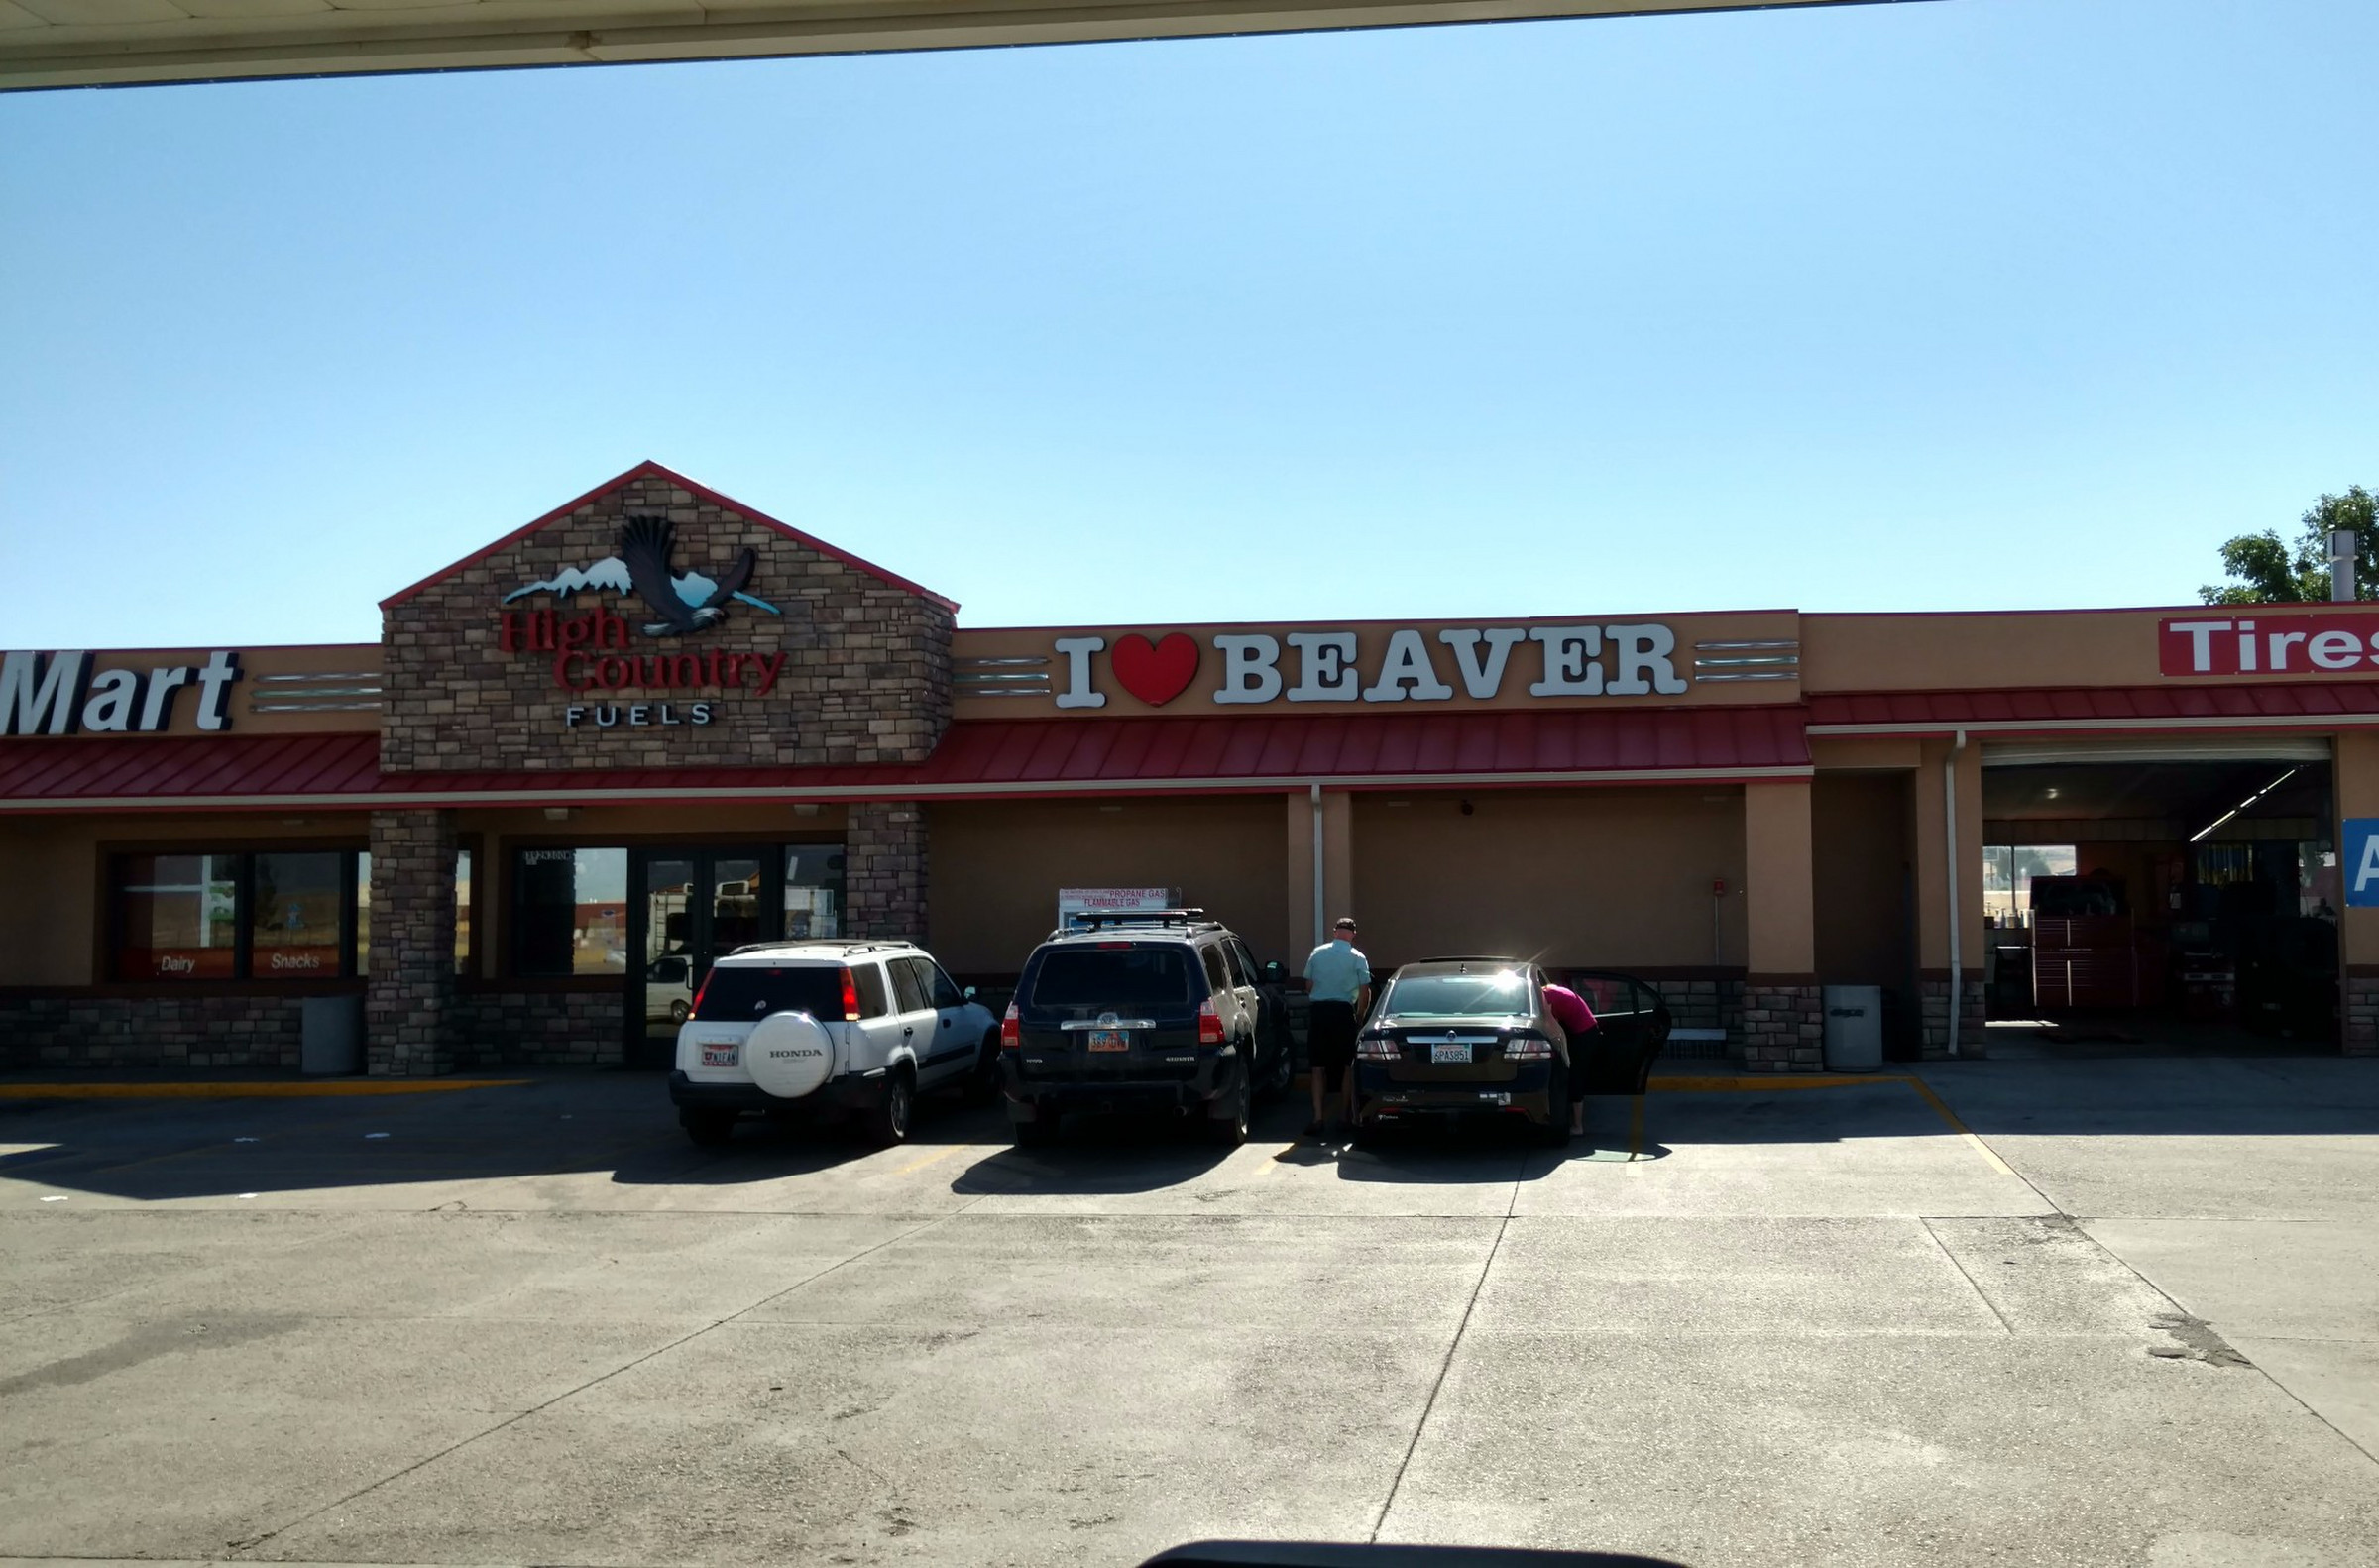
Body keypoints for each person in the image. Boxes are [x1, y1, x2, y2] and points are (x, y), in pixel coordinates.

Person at [1302, 916, 1371, 1138]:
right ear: (1353, 934)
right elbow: (1364, 991)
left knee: (1318, 1067)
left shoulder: (1318, 953)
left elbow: (1308, 985)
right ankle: (1344, 1116)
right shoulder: (1358, 958)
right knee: (1348, 1066)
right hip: (1343, 1012)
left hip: (1320, 1011)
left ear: (1334, 932)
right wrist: (1359, 1016)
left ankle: (1318, 1117)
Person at [1539, 972, 1598, 1136]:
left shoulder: (1544, 997)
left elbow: (1551, 1027)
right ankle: (1574, 1118)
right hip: (1587, 1030)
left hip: (1584, 1034)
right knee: (1574, 1072)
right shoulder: (1551, 990)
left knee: (1575, 1075)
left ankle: (1578, 1126)